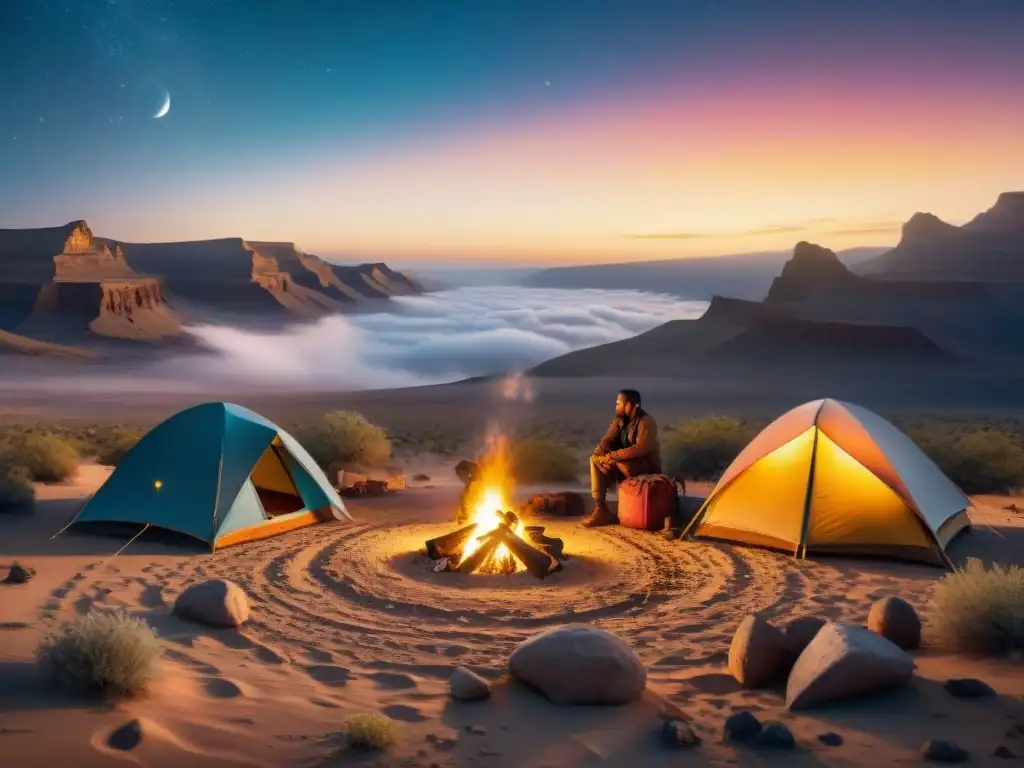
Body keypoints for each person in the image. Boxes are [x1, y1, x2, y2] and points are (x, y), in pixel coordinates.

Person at [583, 389, 662, 527]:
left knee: (615, 462)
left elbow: (641, 448)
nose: (616, 407)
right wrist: (599, 453)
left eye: (619, 404)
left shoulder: (646, 422)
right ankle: (601, 509)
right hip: (623, 463)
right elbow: (607, 440)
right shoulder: (619, 422)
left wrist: (613, 456)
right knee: (594, 460)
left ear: (631, 405)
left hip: (646, 466)